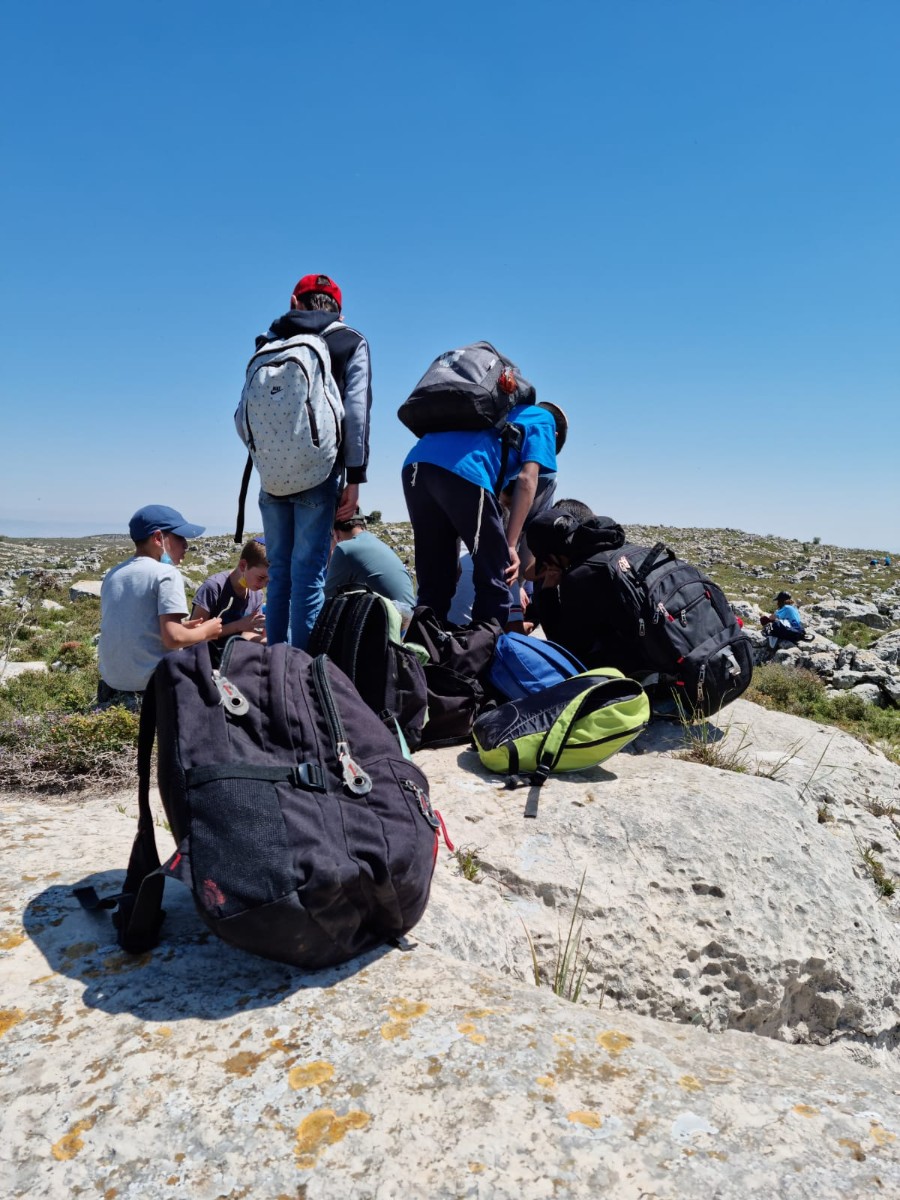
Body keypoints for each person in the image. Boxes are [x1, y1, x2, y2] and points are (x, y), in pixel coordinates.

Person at [248, 274, 372, 649]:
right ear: (339, 309)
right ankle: (302, 673)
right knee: (309, 575)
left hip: (271, 477)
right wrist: (355, 476)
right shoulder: (350, 341)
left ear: (293, 301)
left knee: (280, 572)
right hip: (319, 474)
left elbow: (243, 415)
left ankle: (274, 661)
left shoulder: (271, 344)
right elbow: (357, 412)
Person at [402, 395, 557, 626]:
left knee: (435, 582)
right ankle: (483, 655)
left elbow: (452, 505)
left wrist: (452, 557)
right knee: (496, 579)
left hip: (415, 465)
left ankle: (421, 651)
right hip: (466, 470)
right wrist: (511, 545)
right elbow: (527, 480)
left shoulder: (490, 414)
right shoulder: (544, 420)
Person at [97, 505, 223, 710]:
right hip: (151, 684)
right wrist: (206, 631)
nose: (186, 545)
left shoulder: (114, 574)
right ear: (158, 538)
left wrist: (183, 627)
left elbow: (132, 623)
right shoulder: (166, 573)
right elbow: (173, 639)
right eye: (180, 537)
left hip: (113, 681)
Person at [324, 510, 415, 614]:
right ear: (363, 525)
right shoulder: (379, 544)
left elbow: (327, 600)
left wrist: (331, 554)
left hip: (392, 625)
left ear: (335, 533)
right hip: (410, 619)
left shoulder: (345, 548)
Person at [190, 537, 269, 644]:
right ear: (243, 565)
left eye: (269, 581)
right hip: (204, 656)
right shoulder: (214, 587)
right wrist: (237, 626)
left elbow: (247, 634)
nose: (264, 585)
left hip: (234, 655)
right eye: (261, 578)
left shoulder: (257, 595)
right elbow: (192, 635)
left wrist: (269, 642)